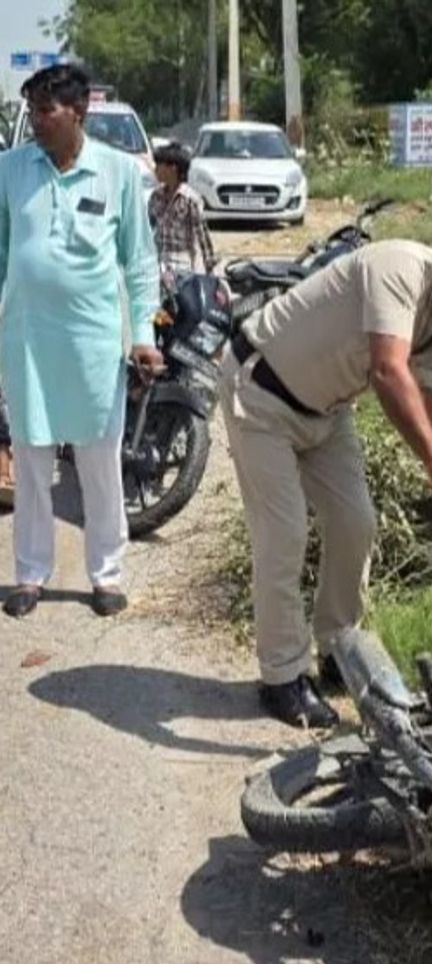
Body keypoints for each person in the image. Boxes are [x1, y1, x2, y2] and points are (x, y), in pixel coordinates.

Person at [220, 239, 432, 728]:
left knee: (356, 523)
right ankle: (282, 678)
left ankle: (338, 651)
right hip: (260, 394)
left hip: (326, 411)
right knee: (284, 535)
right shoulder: (402, 268)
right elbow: (389, 371)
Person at [0, 63, 161, 619]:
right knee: (31, 458)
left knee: (99, 462)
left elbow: (140, 263)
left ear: (79, 112)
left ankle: (107, 574)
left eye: (46, 111)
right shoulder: (9, 171)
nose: (37, 122)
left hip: (93, 345)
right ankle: (30, 573)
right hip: (27, 342)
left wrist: (142, 334)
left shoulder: (117, 172)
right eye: (33, 111)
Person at [148, 142, 217, 277]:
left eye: (159, 166)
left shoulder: (190, 200)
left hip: (181, 267)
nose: (155, 170)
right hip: (156, 264)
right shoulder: (156, 197)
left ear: (172, 168)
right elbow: (146, 230)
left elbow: (203, 238)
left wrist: (211, 273)